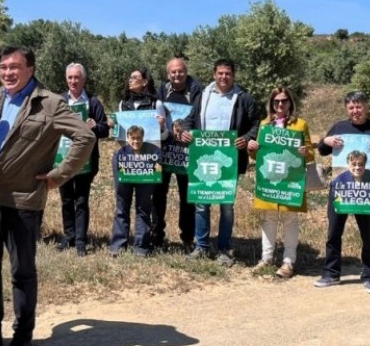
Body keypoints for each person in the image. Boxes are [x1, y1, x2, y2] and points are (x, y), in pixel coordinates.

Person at [0, 46, 95, 346]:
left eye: (15, 67)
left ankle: (22, 338)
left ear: (30, 69)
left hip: (22, 200)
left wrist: (58, 176)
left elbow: (84, 138)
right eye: (3, 67)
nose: (8, 73)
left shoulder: (50, 103)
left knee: (22, 271)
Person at [314, 90, 370, 295]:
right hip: (341, 190)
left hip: (368, 192)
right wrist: (326, 141)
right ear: (346, 109)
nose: (355, 111)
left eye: (359, 106)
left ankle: (369, 276)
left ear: (366, 107)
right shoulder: (339, 127)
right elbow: (322, 150)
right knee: (334, 233)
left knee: (368, 235)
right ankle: (331, 273)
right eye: (351, 107)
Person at [179, 58, 259, 266]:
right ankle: (201, 247)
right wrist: (186, 132)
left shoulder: (243, 98)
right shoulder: (202, 95)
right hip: (203, 159)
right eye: (220, 73)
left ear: (234, 75)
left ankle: (224, 249)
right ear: (214, 74)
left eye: (228, 74)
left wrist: (248, 138)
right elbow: (190, 119)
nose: (224, 77)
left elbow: (255, 124)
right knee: (201, 204)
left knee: (226, 207)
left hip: (228, 161)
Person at [246, 87, 314, 279]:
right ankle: (266, 259)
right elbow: (257, 153)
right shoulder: (265, 124)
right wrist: (252, 148)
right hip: (269, 181)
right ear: (271, 104)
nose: (280, 104)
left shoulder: (300, 125)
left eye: (284, 101)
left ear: (290, 103)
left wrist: (305, 152)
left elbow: (310, 153)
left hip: (290, 181)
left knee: (291, 221)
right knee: (269, 219)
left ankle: (288, 262)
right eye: (276, 101)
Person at [107, 67, 168, 257]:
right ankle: (118, 245)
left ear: (145, 82)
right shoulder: (122, 103)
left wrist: (162, 126)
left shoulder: (155, 103)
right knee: (122, 204)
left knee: (143, 206)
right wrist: (114, 127)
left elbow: (164, 136)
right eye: (130, 77)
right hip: (125, 159)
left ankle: (142, 246)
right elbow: (119, 137)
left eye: (134, 77)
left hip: (148, 161)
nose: (130, 80)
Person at [56, 63, 109, 255]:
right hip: (63, 159)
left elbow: (105, 129)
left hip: (87, 161)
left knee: (81, 199)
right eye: (70, 77)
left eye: (76, 77)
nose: (73, 81)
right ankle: (68, 236)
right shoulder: (60, 101)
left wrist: (95, 125)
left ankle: (80, 240)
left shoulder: (93, 102)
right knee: (66, 199)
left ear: (84, 80)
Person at [153, 57, 203, 250]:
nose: (177, 75)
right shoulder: (162, 90)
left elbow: (198, 114)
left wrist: (184, 128)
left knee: (187, 197)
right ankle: (156, 237)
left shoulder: (196, 90)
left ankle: (188, 239)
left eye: (180, 71)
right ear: (168, 74)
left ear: (186, 71)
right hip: (164, 150)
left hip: (187, 151)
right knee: (158, 195)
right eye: (173, 72)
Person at [110, 125, 162, 256]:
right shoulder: (120, 152)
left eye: (138, 138)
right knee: (121, 209)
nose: (136, 141)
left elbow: (159, 164)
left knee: (143, 210)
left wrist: (155, 169)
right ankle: (118, 245)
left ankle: (141, 246)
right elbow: (116, 169)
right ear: (128, 138)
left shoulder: (153, 150)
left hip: (145, 182)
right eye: (133, 138)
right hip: (124, 181)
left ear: (143, 138)